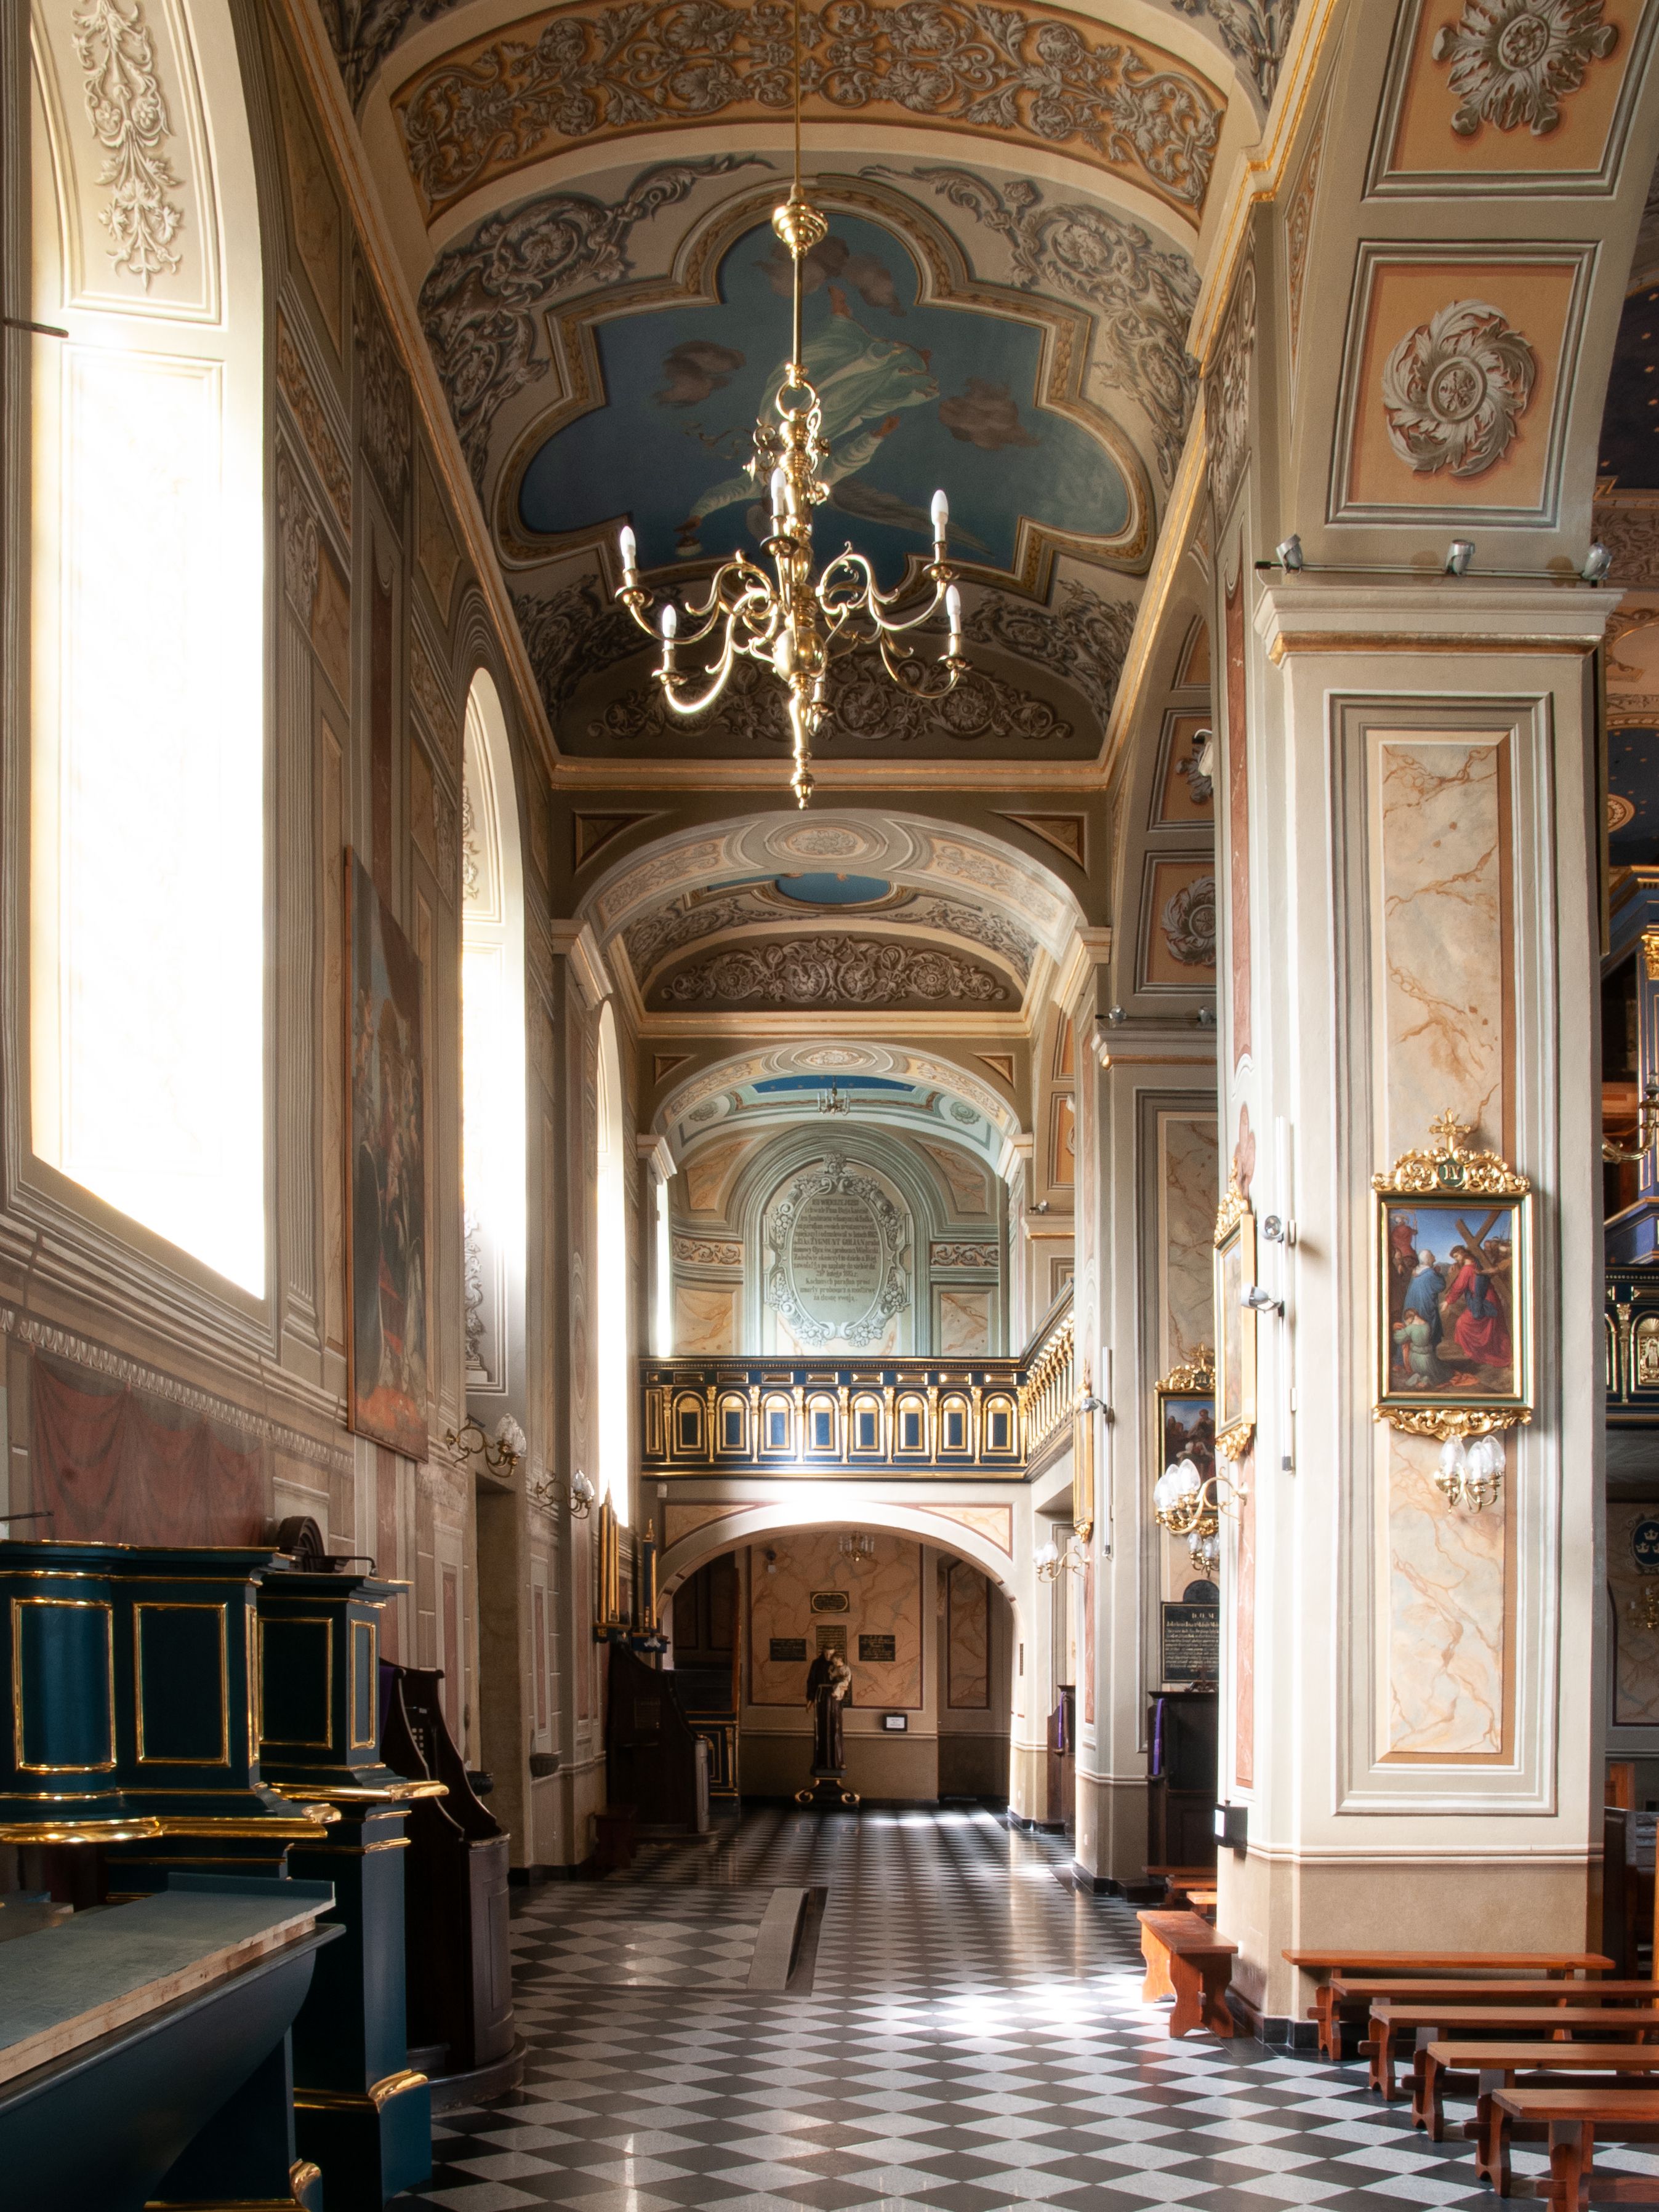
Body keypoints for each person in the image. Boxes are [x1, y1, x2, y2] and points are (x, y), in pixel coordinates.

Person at [1444, 1243, 1512, 1379]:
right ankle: (1507, 1357)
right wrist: (1457, 1265)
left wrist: (1448, 1301)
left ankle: (1478, 1353)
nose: (1456, 1259)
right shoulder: (1476, 1261)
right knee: (1498, 1329)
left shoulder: (1467, 1269)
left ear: (1462, 1253)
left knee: (1462, 1324)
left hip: (1483, 1302)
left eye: (1456, 1256)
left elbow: (1459, 1287)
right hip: (1492, 1299)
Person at [805, 1646, 852, 1774]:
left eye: (831, 1654)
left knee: (835, 1728)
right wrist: (810, 1699)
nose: (828, 1656)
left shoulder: (839, 1664)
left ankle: (838, 1761)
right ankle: (821, 1762)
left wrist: (843, 1691)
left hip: (835, 1700)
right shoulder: (816, 1664)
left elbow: (846, 1681)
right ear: (823, 1652)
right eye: (826, 1653)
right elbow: (811, 1682)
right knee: (822, 1729)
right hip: (821, 1699)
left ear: (834, 1653)